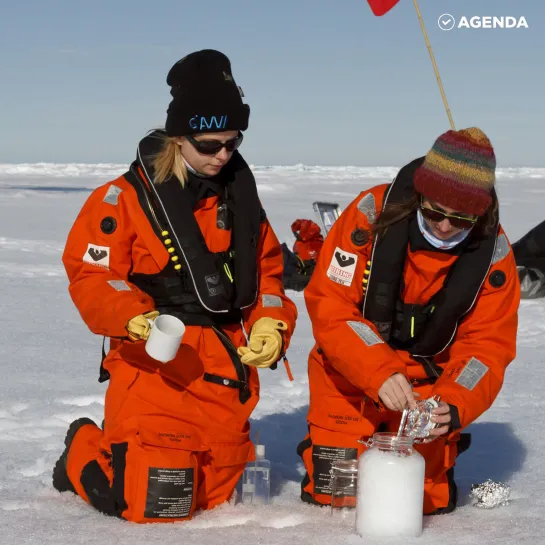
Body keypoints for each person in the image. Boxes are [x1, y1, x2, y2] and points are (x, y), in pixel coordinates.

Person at [52, 49, 298, 523]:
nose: (223, 155)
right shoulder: (120, 200)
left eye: (233, 142)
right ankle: (82, 449)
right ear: (178, 138)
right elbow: (91, 274)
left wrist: (271, 323)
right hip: (155, 367)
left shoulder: (242, 203)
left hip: (225, 370)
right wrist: (131, 317)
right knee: (154, 503)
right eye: (209, 145)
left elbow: (268, 275)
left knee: (217, 499)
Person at [297, 127, 519, 515]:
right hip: (350, 370)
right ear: (419, 193)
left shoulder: (493, 259)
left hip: (428, 390)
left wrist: (452, 406)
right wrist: (378, 371)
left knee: (417, 503)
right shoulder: (369, 215)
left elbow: (488, 349)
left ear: (479, 213)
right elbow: (331, 304)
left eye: (461, 218)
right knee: (340, 498)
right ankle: (325, 439)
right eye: (434, 211)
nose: (445, 226)